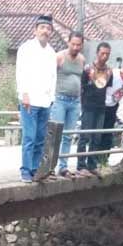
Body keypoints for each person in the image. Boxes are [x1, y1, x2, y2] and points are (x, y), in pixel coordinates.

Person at [15, 14, 57, 183]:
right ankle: (25, 170)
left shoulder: (51, 52)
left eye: (48, 29)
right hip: (29, 100)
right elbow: (20, 72)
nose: (45, 31)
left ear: (51, 32)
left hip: (45, 101)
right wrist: (24, 93)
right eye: (42, 28)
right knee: (29, 137)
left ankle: (35, 168)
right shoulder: (26, 48)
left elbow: (53, 76)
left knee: (40, 138)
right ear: (35, 30)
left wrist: (52, 97)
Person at [77, 42, 113, 177]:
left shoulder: (109, 71)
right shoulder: (87, 69)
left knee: (97, 137)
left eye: (107, 54)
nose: (105, 56)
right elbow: (81, 87)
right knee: (84, 136)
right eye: (102, 53)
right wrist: (82, 106)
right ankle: (81, 165)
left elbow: (107, 89)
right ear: (97, 53)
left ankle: (92, 164)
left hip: (101, 106)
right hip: (88, 105)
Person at [51, 31, 85, 177]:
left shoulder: (82, 59)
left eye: (78, 45)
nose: (76, 47)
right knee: (55, 134)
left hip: (75, 101)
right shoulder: (59, 57)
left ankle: (63, 166)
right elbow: (50, 76)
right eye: (73, 44)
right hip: (60, 100)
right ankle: (49, 166)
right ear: (68, 42)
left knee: (68, 136)